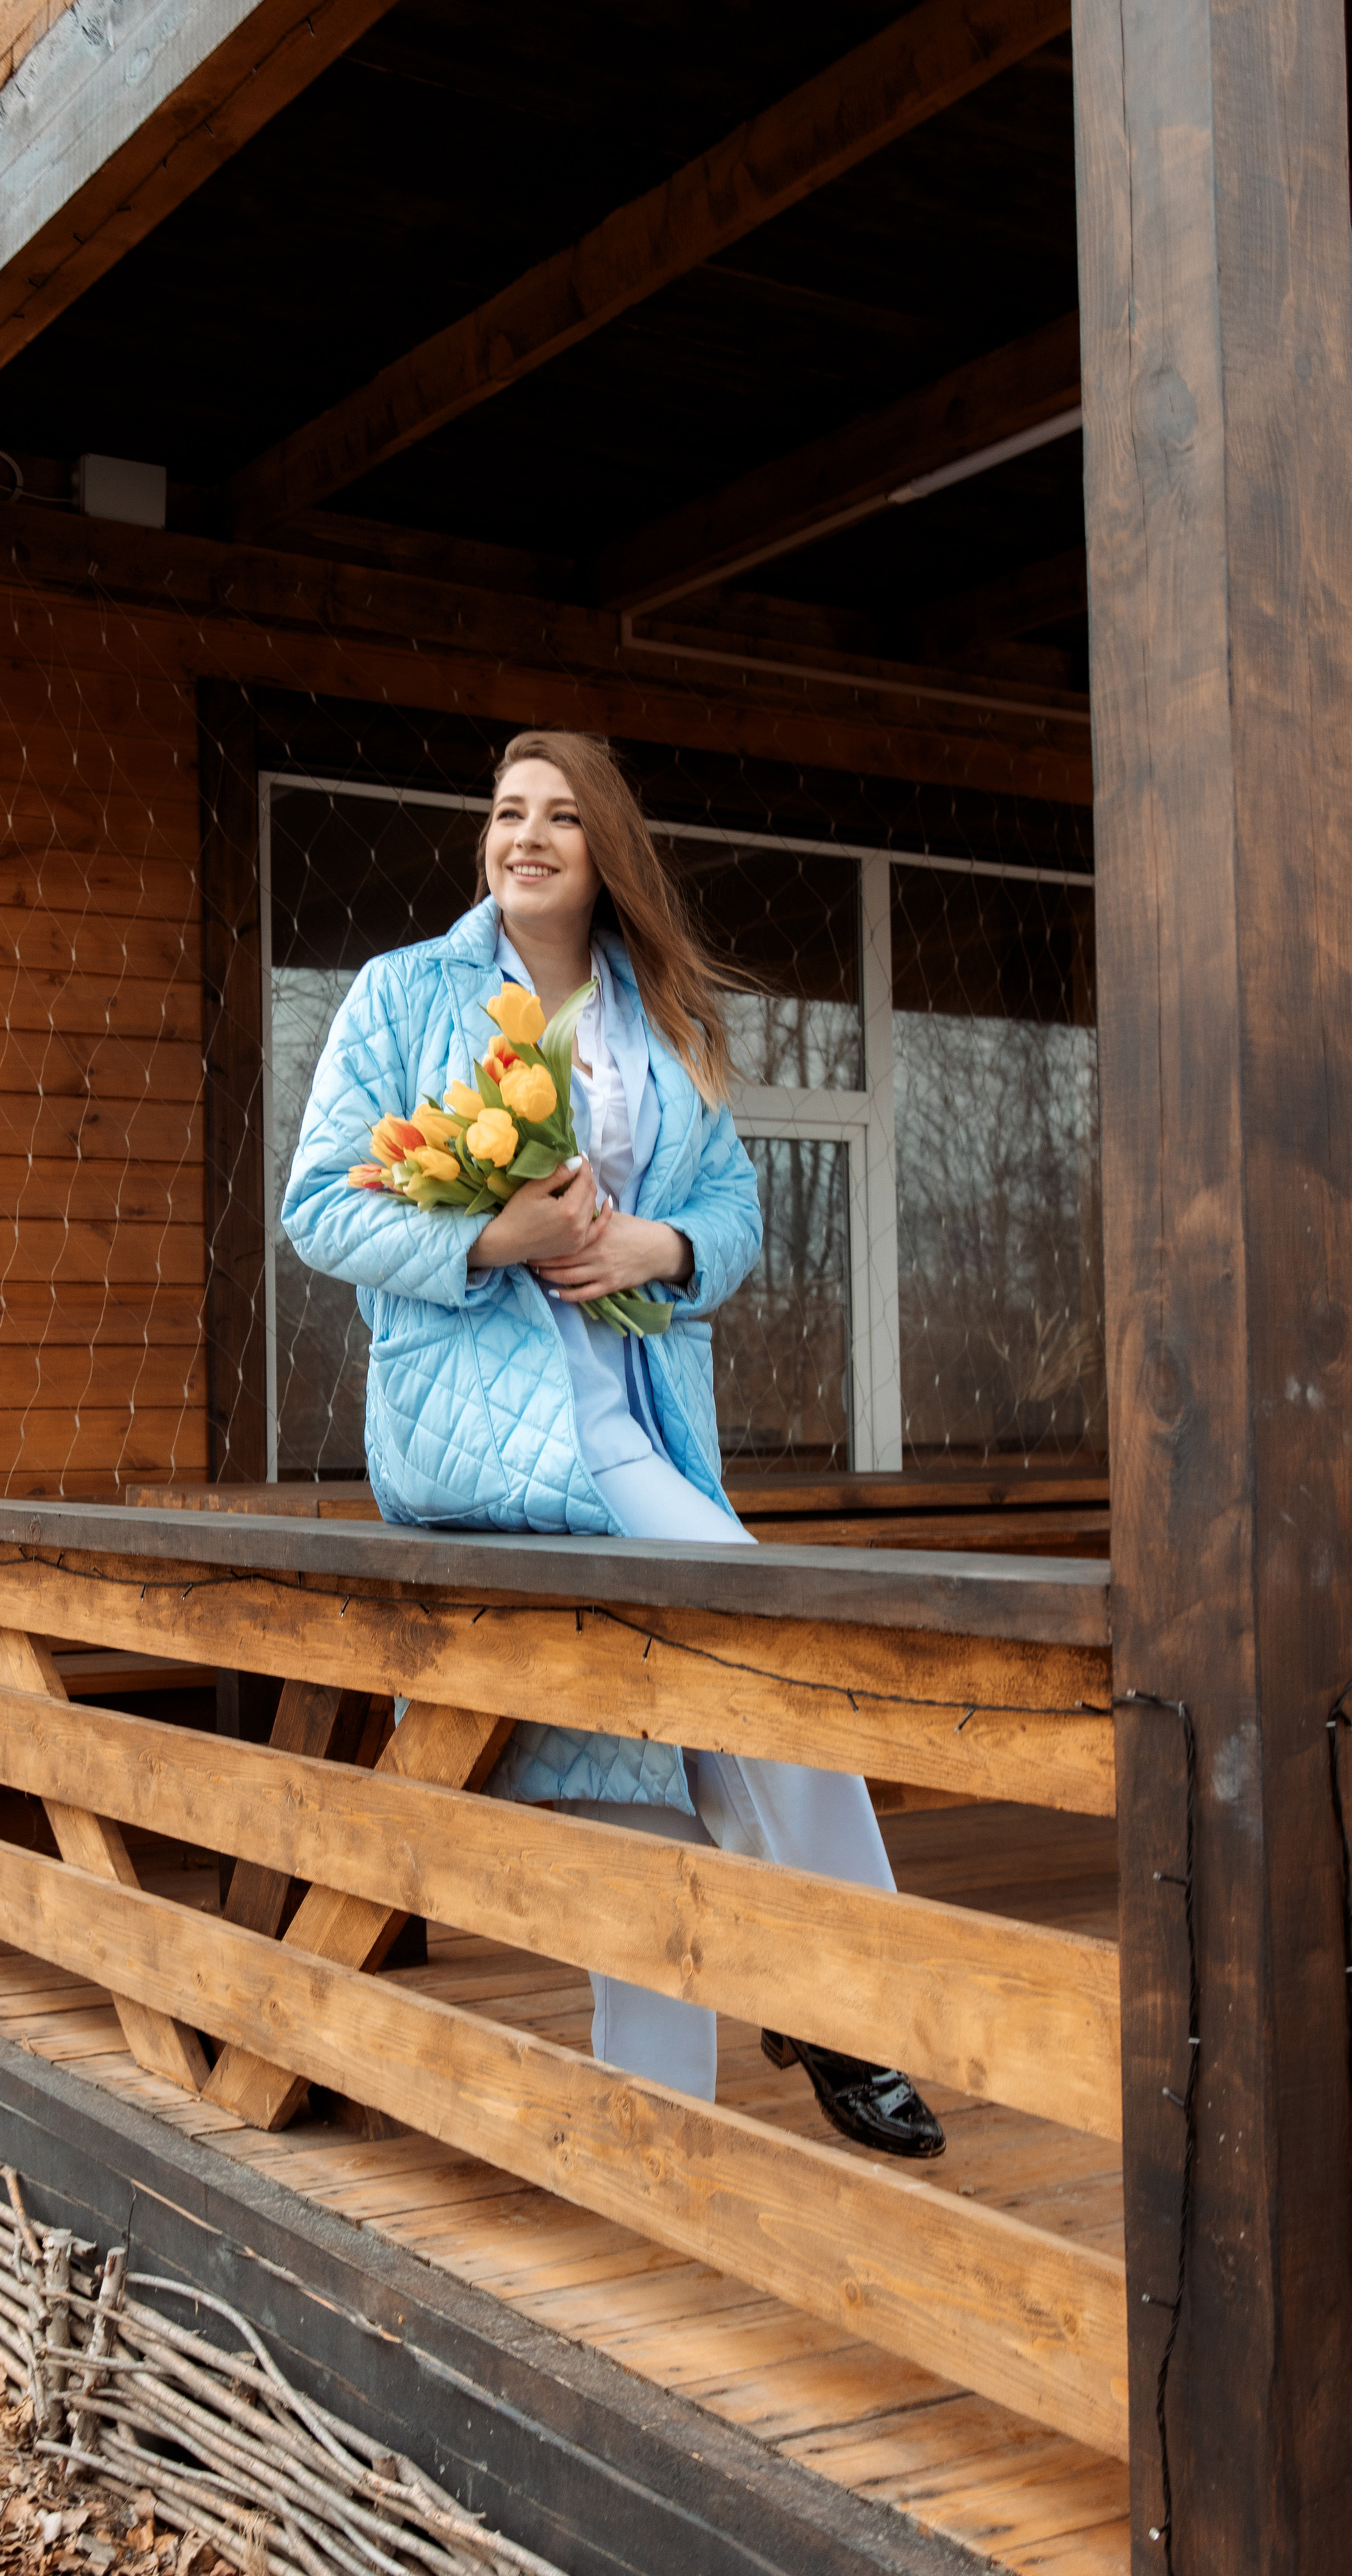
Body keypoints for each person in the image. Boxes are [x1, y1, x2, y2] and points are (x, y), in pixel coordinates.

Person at [281, 730, 943, 2157]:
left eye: (559, 817)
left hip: (643, 1432)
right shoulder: (407, 994)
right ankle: (844, 2006)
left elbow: (740, 1222)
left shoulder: (665, 1020)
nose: (523, 835)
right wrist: (484, 1238)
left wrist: (663, 1241)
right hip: (488, 1438)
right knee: (756, 1645)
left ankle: (666, 2133)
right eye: (504, 811)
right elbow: (319, 1212)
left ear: (605, 852)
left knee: (649, 1764)